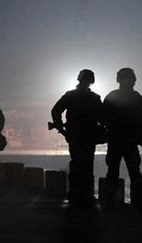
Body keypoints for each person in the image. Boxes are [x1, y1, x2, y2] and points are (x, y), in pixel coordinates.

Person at [102, 68, 142, 212]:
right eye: (128, 78)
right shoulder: (131, 97)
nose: (130, 82)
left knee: (125, 172)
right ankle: (127, 203)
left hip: (122, 141)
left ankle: (111, 202)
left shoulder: (125, 97)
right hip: (123, 141)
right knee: (127, 172)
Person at [51, 69, 103, 210]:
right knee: (86, 166)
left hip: (76, 135)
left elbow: (56, 111)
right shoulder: (94, 98)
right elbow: (102, 118)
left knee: (77, 165)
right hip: (85, 136)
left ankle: (76, 195)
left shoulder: (71, 96)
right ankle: (84, 196)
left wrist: (62, 128)